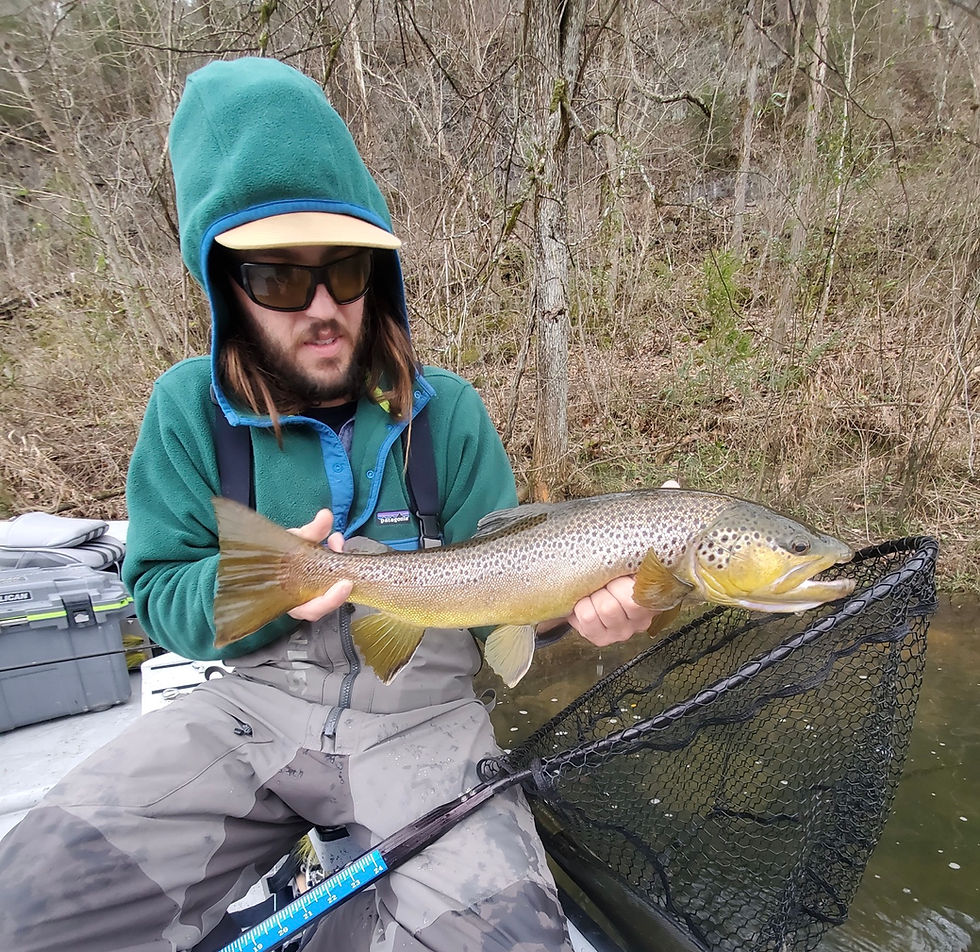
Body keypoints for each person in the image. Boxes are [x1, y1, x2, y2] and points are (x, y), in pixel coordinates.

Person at [0, 57, 655, 952]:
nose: (321, 308)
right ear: (224, 288)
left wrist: (576, 617)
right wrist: (262, 589)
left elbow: (513, 611)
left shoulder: (451, 414)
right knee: (29, 907)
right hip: (248, 711)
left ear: (376, 275)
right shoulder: (187, 413)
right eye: (276, 279)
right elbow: (158, 596)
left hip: (429, 731)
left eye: (344, 272)